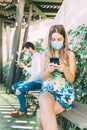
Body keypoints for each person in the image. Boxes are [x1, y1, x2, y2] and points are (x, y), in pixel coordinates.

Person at [37, 25, 76, 130]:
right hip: (47, 91)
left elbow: (71, 79)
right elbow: (43, 78)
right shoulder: (44, 55)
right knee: (44, 99)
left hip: (64, 94)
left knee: (40, 114)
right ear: (49, 40)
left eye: (59, 39)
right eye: (53, 39)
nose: (56, 41)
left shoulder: (69, 55)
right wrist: (48, 71)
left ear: (64, 39)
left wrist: (65, 69)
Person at [10, 41, 42, 118]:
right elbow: (33, 72)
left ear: (30, 48)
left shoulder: (38, 58)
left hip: (38, 82)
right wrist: (24, 66)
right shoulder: (34, 57)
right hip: (33, 80)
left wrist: (27, 81)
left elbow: (39, 75)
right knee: (14, 87)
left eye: (25, 51)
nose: (25, 53)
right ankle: (24, 105)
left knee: (18, 90)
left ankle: (22, 110)